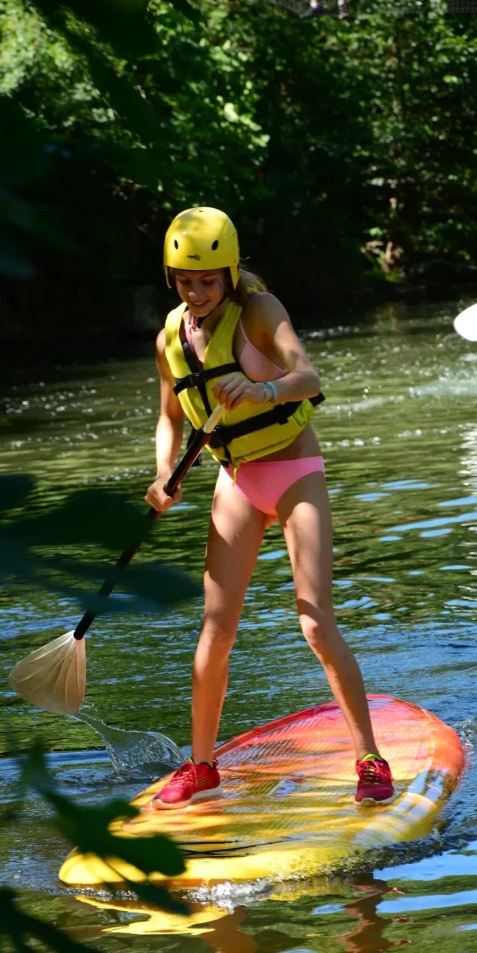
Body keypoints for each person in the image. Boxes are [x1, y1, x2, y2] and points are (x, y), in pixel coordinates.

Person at [145, 207, 393, 810]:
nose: (195, 291)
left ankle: (370, 759)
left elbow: (306, 375)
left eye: (206, 280)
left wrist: (264, 390)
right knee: (215, 629)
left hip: (292, 470)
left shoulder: (259, 311)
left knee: (314, 621)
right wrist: (162, 474)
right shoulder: (169, 339)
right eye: (184, 280)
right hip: (236, 479)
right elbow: (168, 418)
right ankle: (201, 766)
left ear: (229, 274)